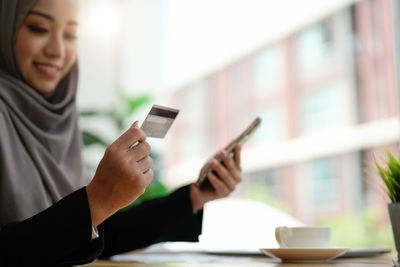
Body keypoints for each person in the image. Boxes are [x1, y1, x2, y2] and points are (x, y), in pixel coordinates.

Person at [0, 0, 243, 266]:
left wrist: (193, 197)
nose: (58, 50)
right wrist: (94, 200)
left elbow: (98, 235)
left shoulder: (57, 124)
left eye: (70, 35)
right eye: (38, 28)